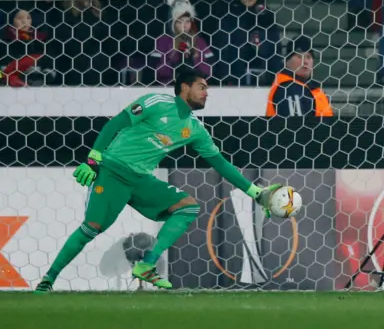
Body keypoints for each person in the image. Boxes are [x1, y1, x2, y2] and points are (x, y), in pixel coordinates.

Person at [35, 69, 283, 292]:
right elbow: (115, 124)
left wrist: (255, 192)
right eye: (202, 87)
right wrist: (93, 159)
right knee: (91, 228)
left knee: (188, 207)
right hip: (113, 171)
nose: (207, 93)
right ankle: (48, 279)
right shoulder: (156, 102)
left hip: (141, 180)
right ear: (184, 87)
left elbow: (221, 164)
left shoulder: (195, 129)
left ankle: (147, 265)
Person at [265, 36, 333, 117]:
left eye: (308, 57)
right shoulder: (287, 88)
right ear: (287, 62)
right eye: (299, 57)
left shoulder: (311, 88)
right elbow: (296, 127)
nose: (305, 61)